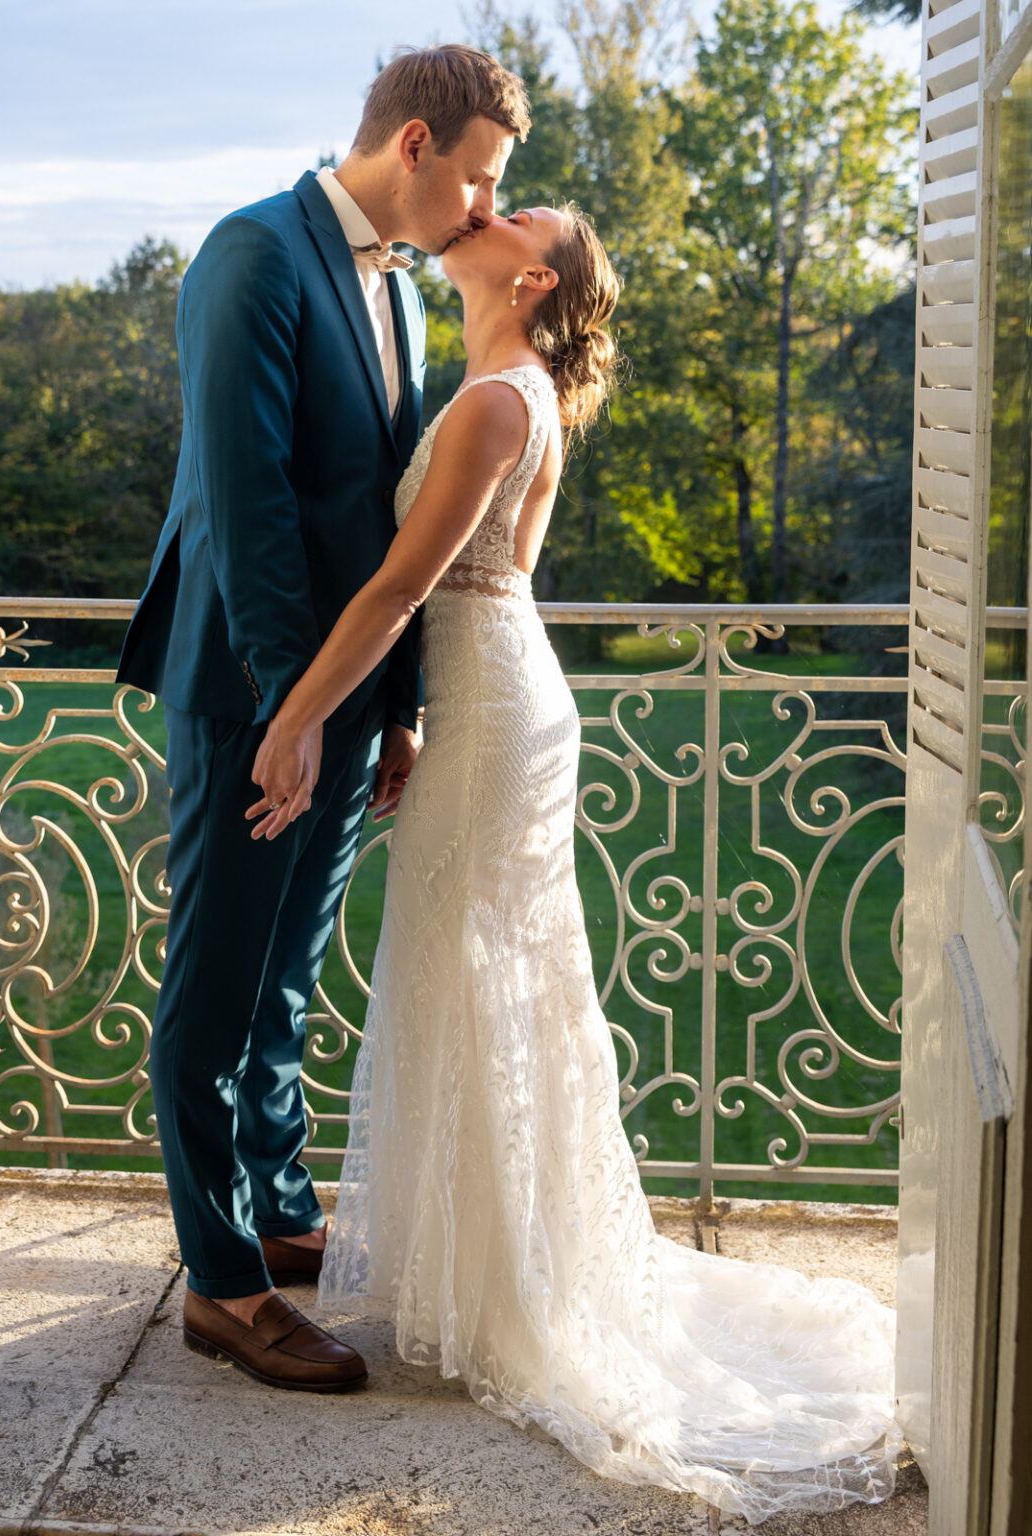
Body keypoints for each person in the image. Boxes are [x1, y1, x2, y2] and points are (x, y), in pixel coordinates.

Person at [248, 204, 902, 1523]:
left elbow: (396, 586)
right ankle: (491, 1269)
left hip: (498, 714)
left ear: (529, 275)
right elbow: (502, 577)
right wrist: (417, 712)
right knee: (485, 981)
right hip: (499, 695)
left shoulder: (497, 401)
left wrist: (300, 716)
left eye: (504, 217)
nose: (474, 219)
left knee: (482, 981)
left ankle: (515, 1294)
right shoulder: (519, 390)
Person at [115, 45, 531, 1392]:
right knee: (219, 984)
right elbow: (248, 513)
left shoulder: (402, 295)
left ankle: (277, 1203)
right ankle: (222, 1283)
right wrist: (292, 712)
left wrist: (392, 703)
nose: (480, 210)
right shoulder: (251, 255)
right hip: (256, 691)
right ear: (413, 145)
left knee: (288, 973)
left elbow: (387, 525)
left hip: (348, 695)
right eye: (474, 177)